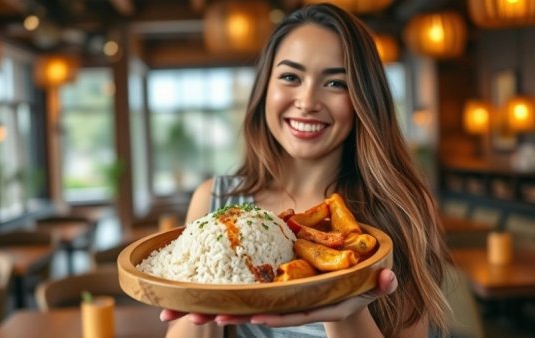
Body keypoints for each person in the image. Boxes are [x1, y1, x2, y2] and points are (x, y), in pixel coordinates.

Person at [162, 3, 451, 338]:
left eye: (335, 83)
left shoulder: (401, 211)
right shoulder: (214, 202)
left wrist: (345, 305)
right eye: (290, 77)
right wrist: (207, 291)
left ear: (364, 99)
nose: (308, 100)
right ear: (265, 88)